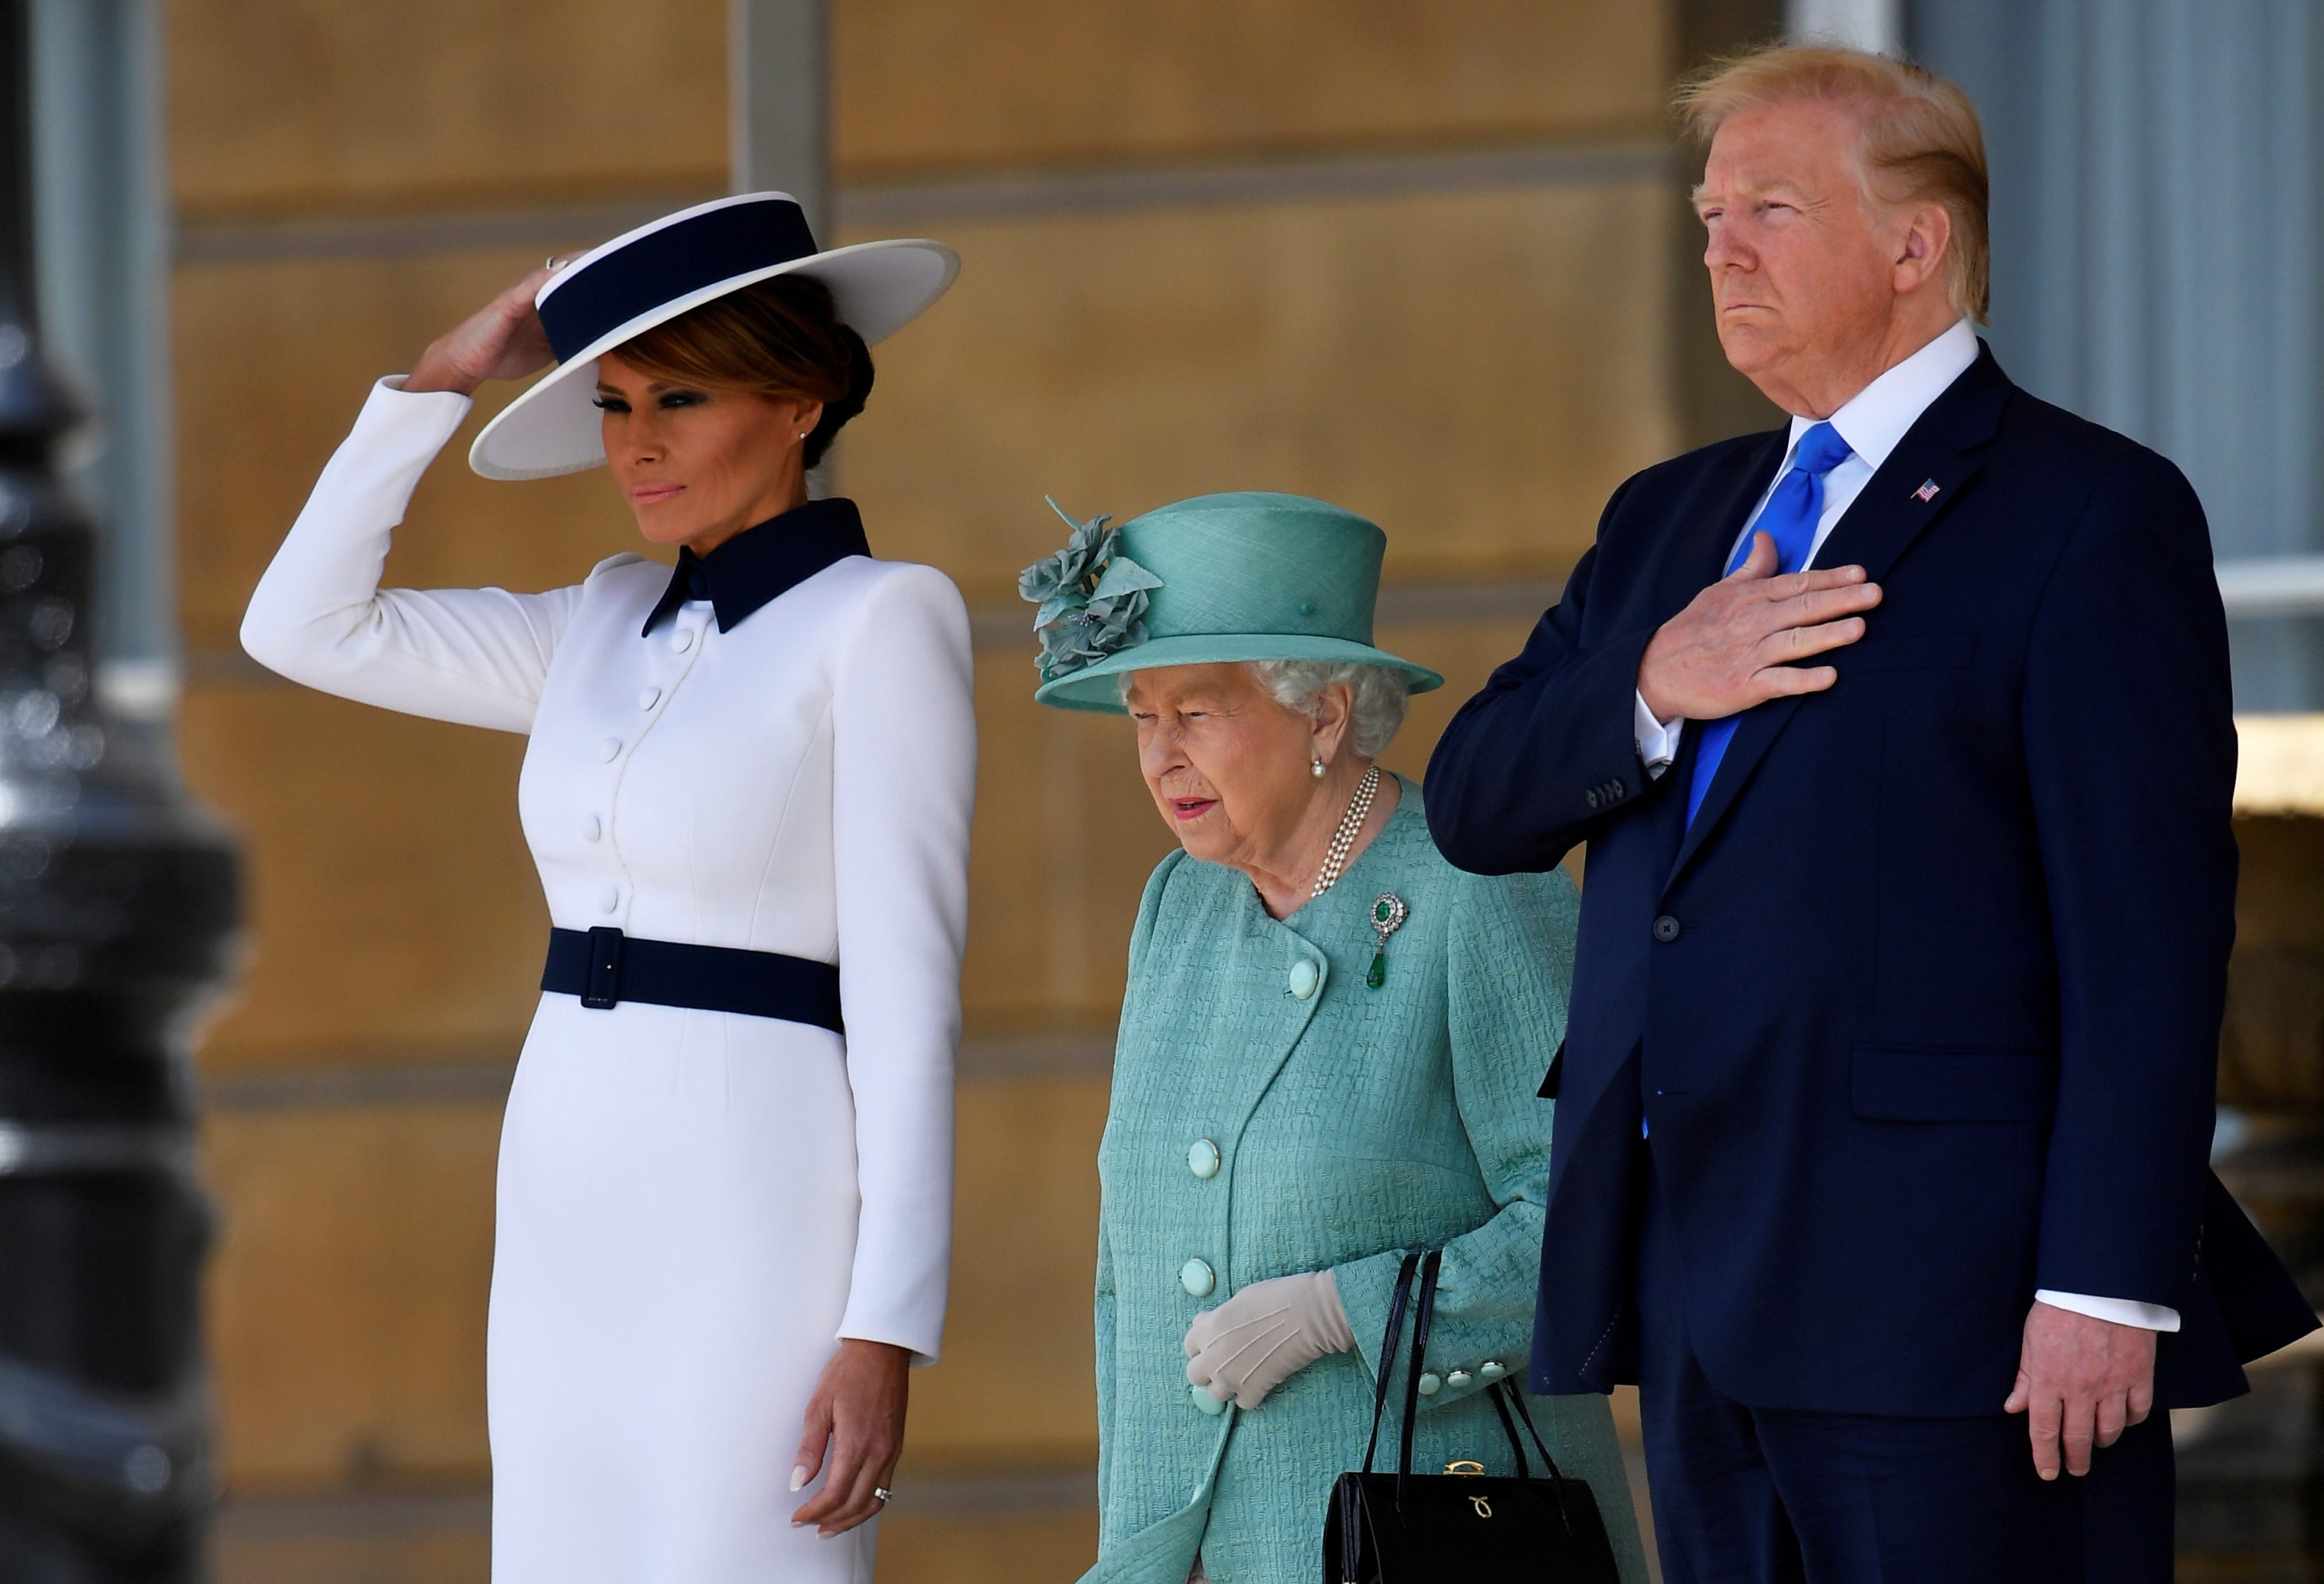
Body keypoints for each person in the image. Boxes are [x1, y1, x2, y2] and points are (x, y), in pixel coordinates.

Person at [1423, 46, 2319, 1582]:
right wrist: (1655, 676)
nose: (1721, 247)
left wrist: (2107, 1287)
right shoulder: (1669, 522)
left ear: (1920, 246)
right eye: (1709, 213)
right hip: (1700, 1286)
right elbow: (1476, 795)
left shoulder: (2089, 511)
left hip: (1965, 1310)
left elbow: (2150, 941)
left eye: (1771, 206)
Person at [239, 193, 975, 1582]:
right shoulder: (593, 618)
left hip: (756, 1191)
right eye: (614, 403)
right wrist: (441, 379)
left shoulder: (886, 618)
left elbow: (909, 1002)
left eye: (679, 398)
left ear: (804, 397)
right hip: (566, 1174)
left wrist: (887, 1325)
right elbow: (299, 624)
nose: (634, 445)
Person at [1023, 493, 1648, 1584]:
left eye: (1199, 713)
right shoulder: (1179, 904)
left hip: (1433, 1539)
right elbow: (1126, 1274)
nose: (1160, 755)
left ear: (1324, 717)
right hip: (1218, 1551)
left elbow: (1589, 1214)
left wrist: (1340, 1310)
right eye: (1140, 714)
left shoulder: (1476, 887)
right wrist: (1137, 1552)